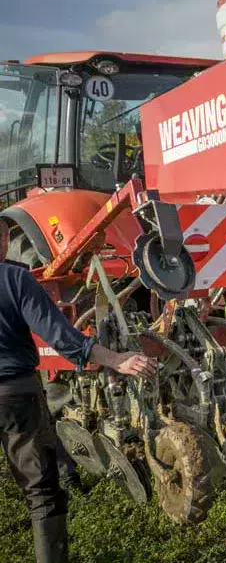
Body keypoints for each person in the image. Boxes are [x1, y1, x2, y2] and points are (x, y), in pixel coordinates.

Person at [0, 219, 157, 563]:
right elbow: (59, 336)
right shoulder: (15, 279)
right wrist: (115, 359)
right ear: (2, 239)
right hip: (16, 395)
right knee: (41, 492)